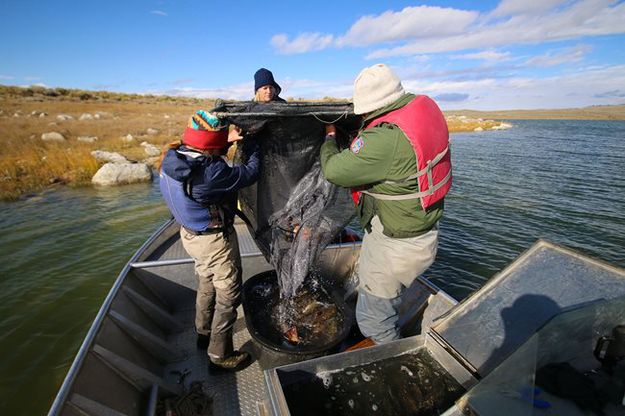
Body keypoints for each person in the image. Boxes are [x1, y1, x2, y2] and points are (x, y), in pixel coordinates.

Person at [320, 64, 452, 344]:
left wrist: (331, 137)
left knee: (375, 320)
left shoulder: (386, 139)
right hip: (420, 231)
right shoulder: (423, 109)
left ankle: (395, 365)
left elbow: (334, 170)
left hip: (396, 245)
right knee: (385, 299)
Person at [159, 109, 260, 371]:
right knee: (228, 294)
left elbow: (200, 155)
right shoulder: (212, 173)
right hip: (214, 243)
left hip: (190, 237)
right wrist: (254, 143)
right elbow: (250, 173)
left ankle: (202, 334)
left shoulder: (173, 158)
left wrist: (227, 139)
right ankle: (220, 356)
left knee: (206, 282)